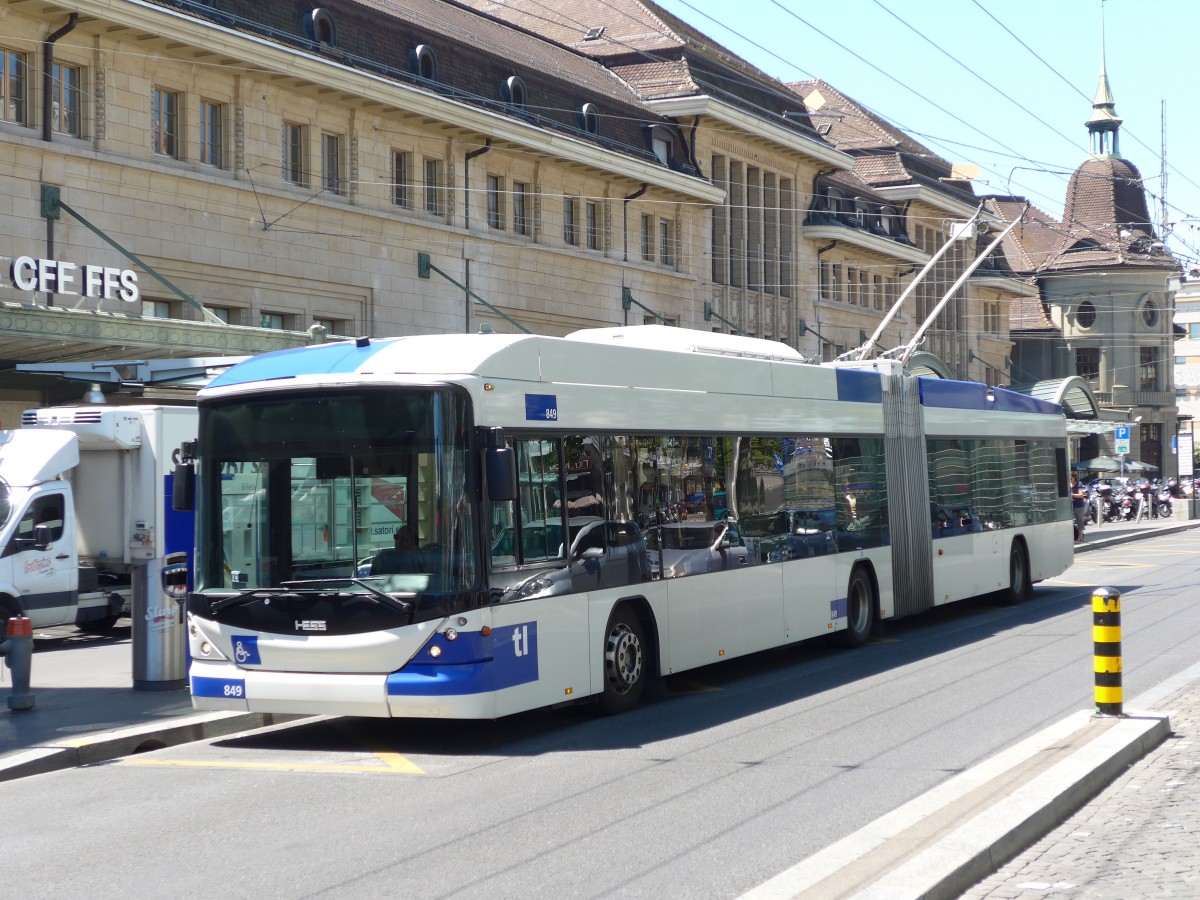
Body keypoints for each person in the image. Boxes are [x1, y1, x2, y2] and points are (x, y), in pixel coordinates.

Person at [1071, 472, 1087, 542]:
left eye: (1071, 478)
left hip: (1078, 505)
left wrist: (1072, 495)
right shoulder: (1069, 484)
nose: (1070, 479)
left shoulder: (1079, 484)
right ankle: (1076, 535)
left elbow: (1081, 495)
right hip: (1071, 505)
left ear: (1074, 477)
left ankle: (1080, 536)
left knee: (1079, 521)